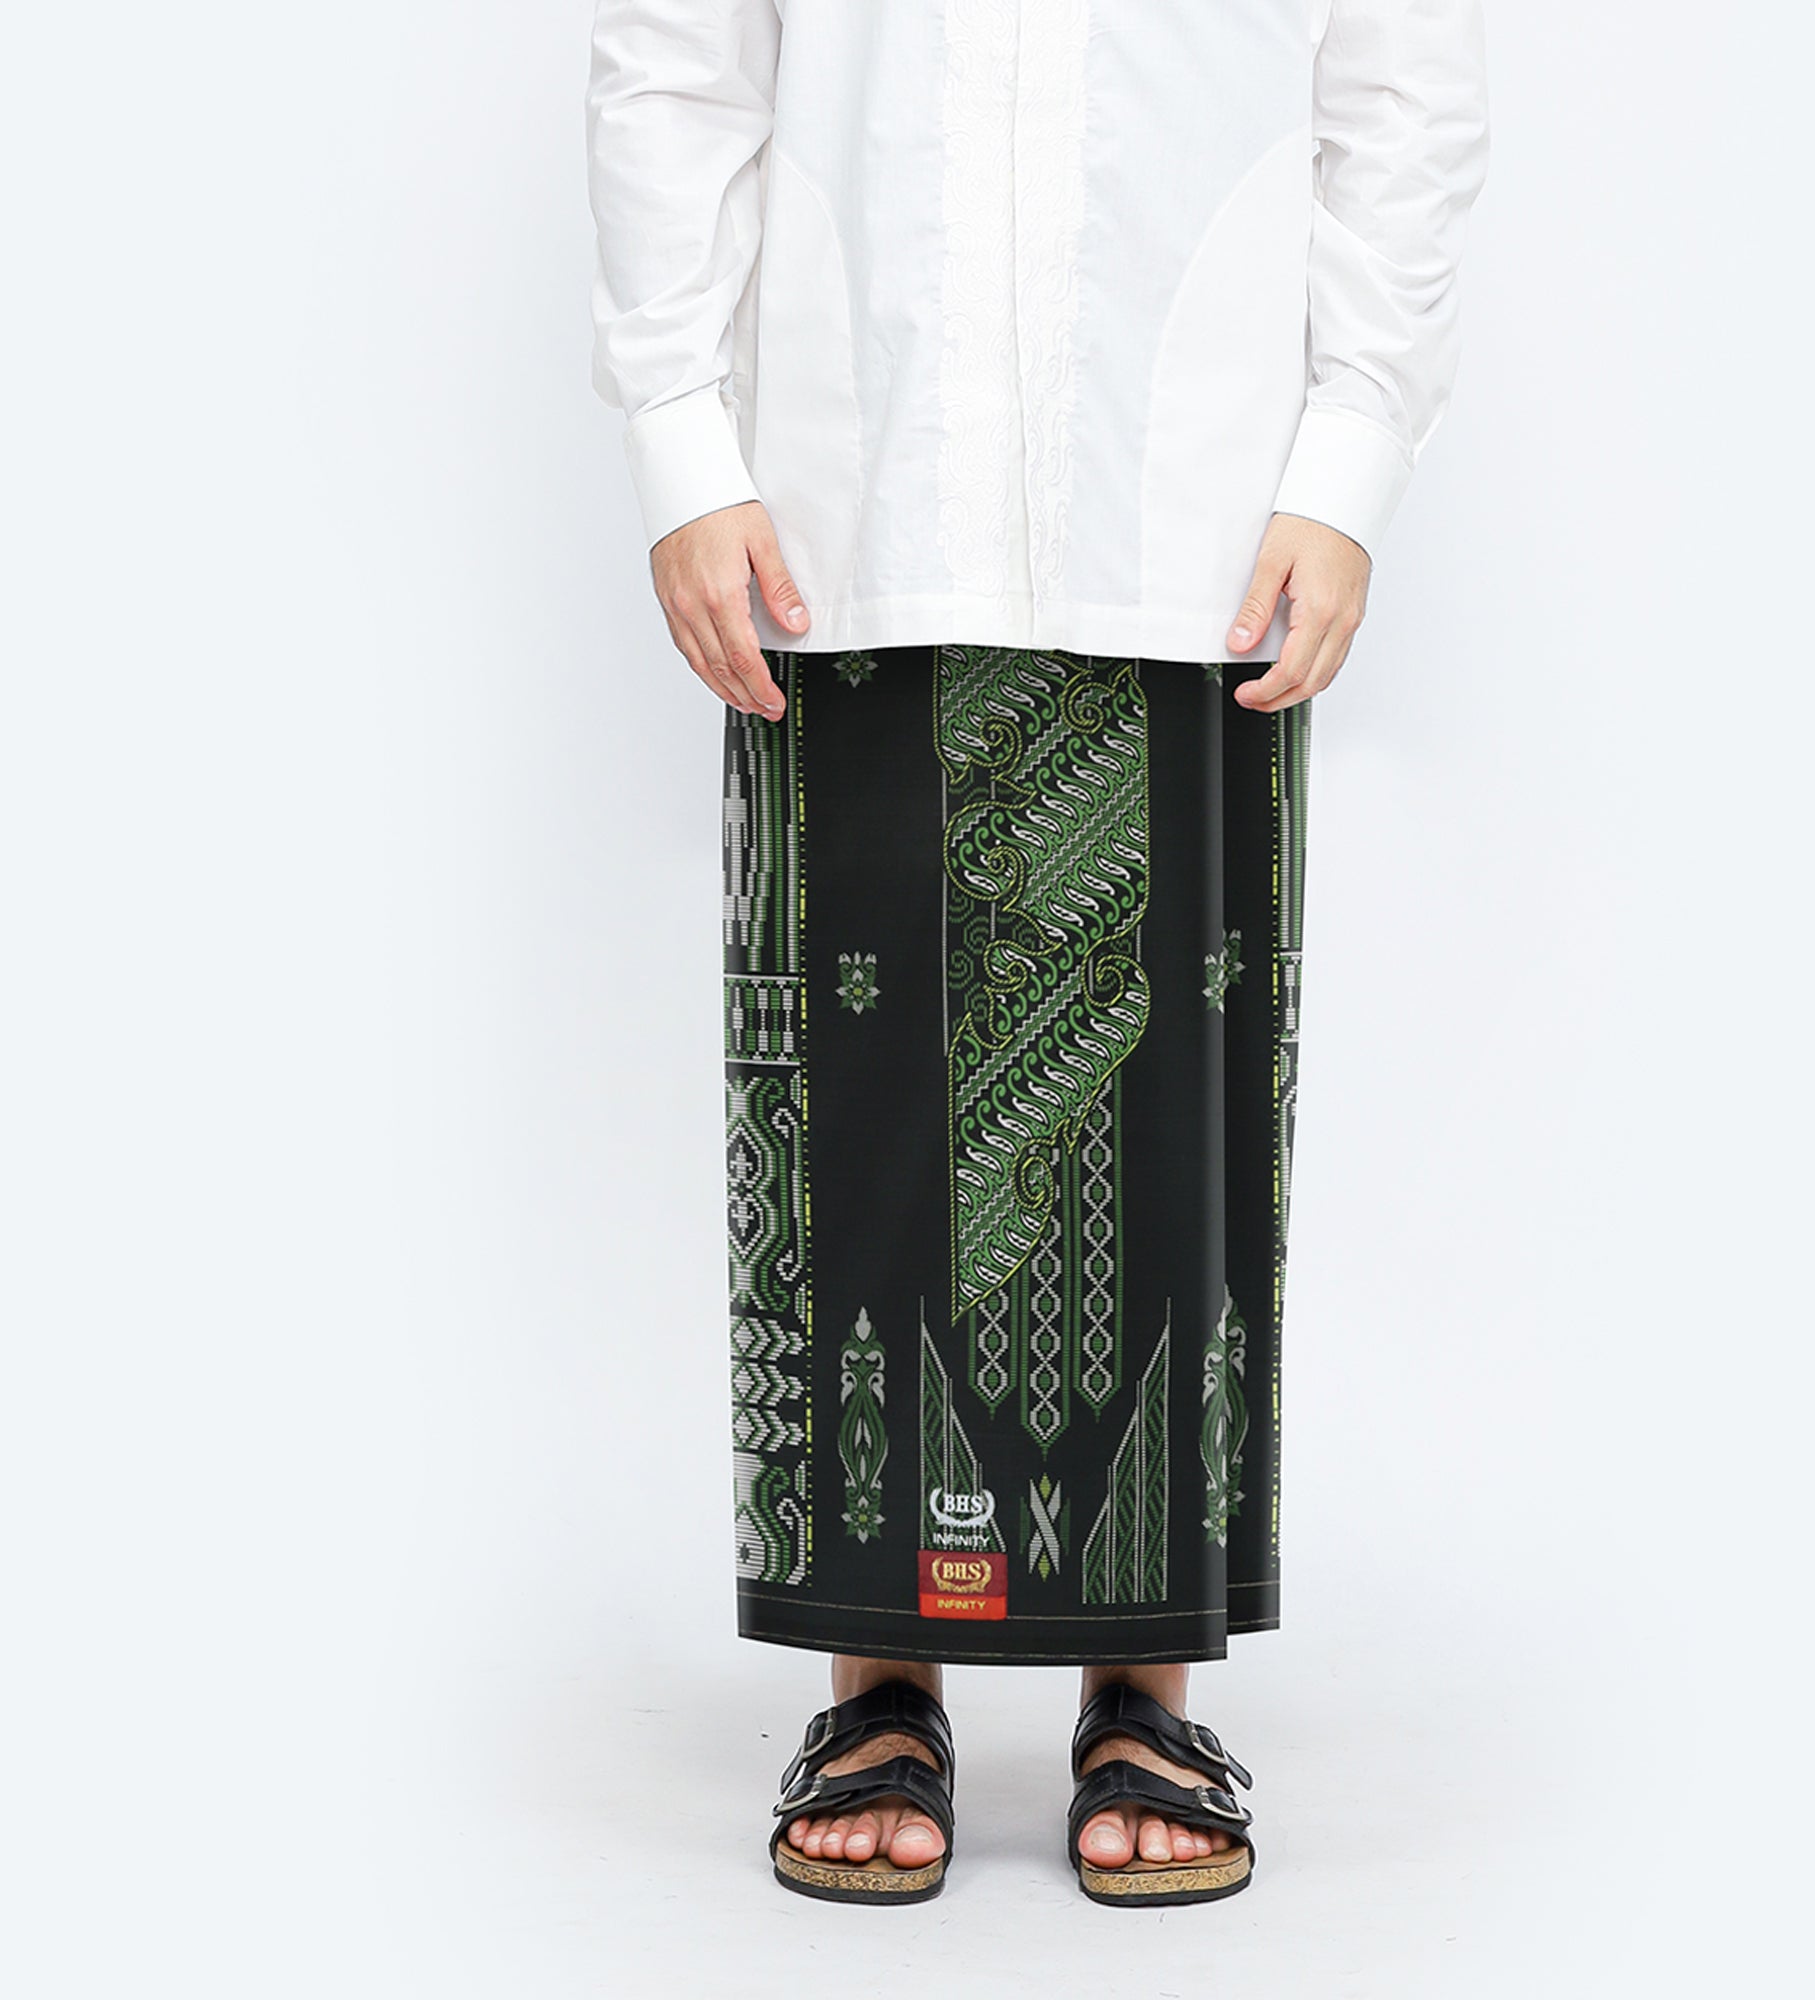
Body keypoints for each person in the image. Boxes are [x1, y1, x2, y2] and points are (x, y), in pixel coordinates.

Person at [585, 0, 1488, 1907]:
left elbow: (1402, 79)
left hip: (1195, 499)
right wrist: (682, 438)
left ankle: (1144, 1683)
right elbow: (679, 54)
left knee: (1178, 1123)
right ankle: (874, 1676)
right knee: (852, 1117)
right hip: (846, 498)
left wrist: (1349, 451)